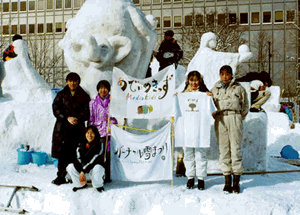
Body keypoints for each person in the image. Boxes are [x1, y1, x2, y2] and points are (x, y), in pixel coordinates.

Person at [210, 65, 249, 194]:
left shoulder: (238, 88)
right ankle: (227, 180)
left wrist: (238, 117)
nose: (225, 77)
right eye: (222, 74)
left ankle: (236, 181)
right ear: (219, 75)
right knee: (223, 149)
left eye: (227, 74)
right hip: (220, 118)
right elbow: (209, 105)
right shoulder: (215, 89)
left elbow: (245, 105)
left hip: (234, 117)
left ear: (231, 75)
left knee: (235, 148)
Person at [51, 72, 91, 185]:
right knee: (62, 153)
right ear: (67, 82)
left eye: (75, 81)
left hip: (77, 129)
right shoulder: (61, 95)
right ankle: (61, 176)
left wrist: (77, 118)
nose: (72, 83)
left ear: (78, 82)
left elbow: (87, 112)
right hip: (63, 129)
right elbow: (55, 109)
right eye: (70, 81)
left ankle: (77, 176)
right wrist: (67, 118)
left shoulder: (83, 95)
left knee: (76, 154)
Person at [180, 70, 212, 190]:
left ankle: (201, 178)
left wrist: (210, 97)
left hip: (200, 129)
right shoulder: (182, 95)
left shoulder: (205, 95)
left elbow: (212, 109)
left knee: (200, 154)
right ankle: (190, 177)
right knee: (188, 154)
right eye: (191, 80)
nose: (194, 83)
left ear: (200, 81)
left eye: (196, 80)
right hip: (186, 130)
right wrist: (176, 98)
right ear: (188, 81)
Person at [89, 80, 118, 183]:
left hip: (110, 131)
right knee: (99, 154)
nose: (103, 90)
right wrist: (91, 132)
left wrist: (112, 120)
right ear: (98, 89)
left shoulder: (113, 102)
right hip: (98, 132)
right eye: (101, 88)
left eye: (105, 88)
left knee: (109, 154)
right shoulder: (93, 102)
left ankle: (108, 176)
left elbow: (117, 117)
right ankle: (98, 175)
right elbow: (91, 118)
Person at [67, 125, 106, 192]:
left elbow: (94, 160)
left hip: (92, 172)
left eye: (92, 133)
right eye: (87, 133)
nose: (89, 135)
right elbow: (77, 159)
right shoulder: (80, 144)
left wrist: (83, 171)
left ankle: (98, 185)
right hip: (83, 173)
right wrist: (80, 170)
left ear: (95, 134)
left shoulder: (99, 145)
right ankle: (80, 184)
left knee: (98, 167)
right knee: (70, 166)